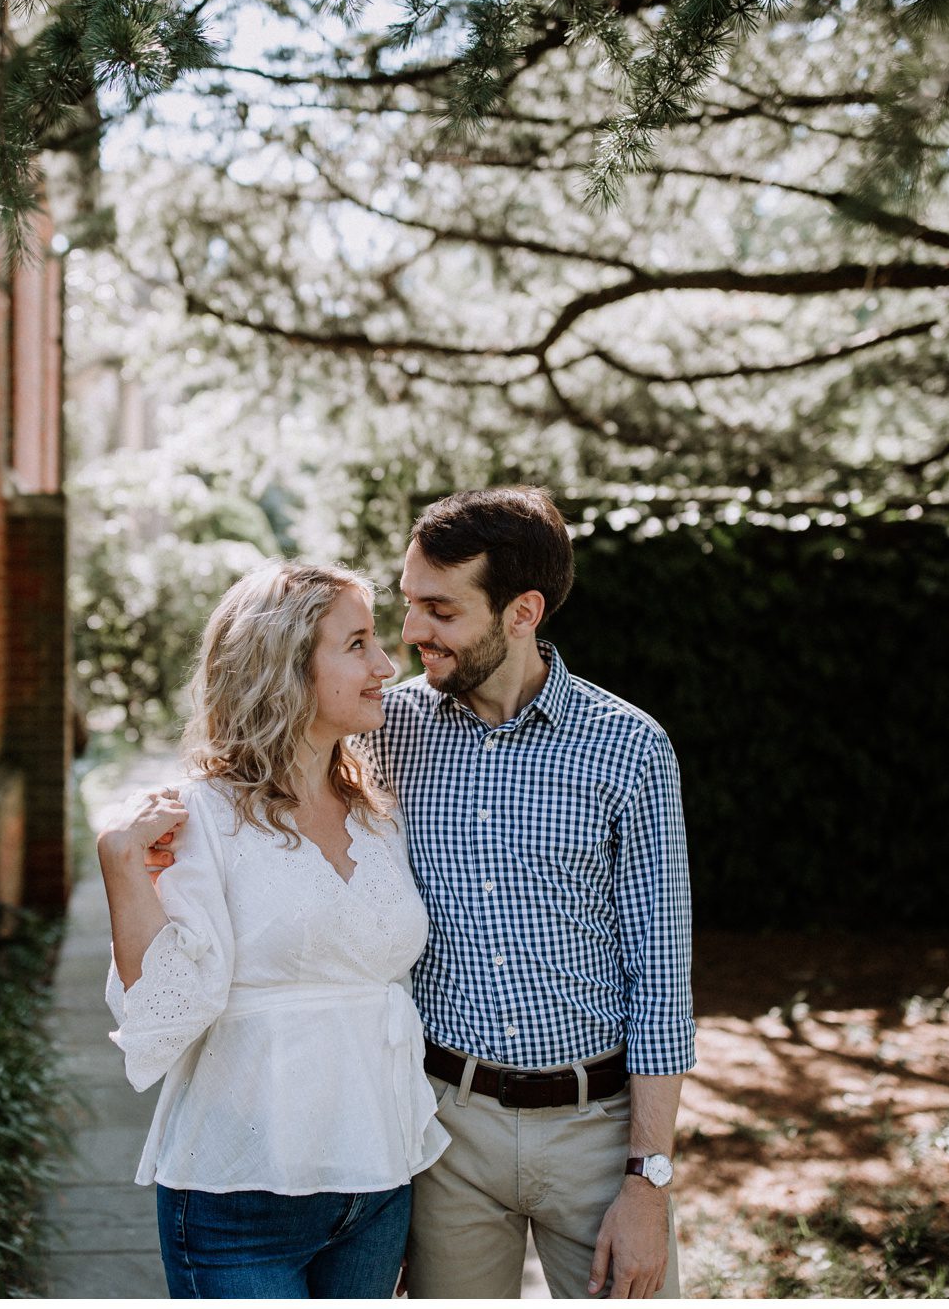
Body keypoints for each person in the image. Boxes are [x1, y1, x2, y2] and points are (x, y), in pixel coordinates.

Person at [356, 485, 695, 1299]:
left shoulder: (630, 748)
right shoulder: (384, 732)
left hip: (597, 1126)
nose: (411, 634)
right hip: (444, 1129)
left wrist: (648, 1183)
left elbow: (662, 977)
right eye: (409, 604)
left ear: (522, 611)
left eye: (440, 610)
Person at [98, 559, 450, 1299]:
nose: (387, 665)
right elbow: (162, 1019)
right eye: (357, 644)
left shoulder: (378, 814)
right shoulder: (202, 818)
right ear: (284, 664)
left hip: (378, 1185)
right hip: (239, 1199)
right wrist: (122, 867)